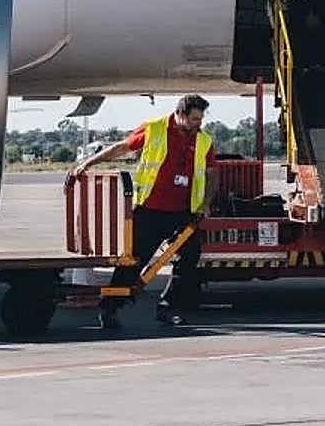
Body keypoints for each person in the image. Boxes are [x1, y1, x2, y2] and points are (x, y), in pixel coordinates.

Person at [67, 94, 217, 328]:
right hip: (150, 210)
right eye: (194, 119)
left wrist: (205, 202)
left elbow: (211, 173)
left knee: (190, 258)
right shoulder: (155, 129)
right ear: (180, 114)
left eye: (200, 119)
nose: (198, 124)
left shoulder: (203, 140)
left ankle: (168, 307)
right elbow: (121, 148)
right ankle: (110, 308)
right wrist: (88, 163)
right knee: (132, 262)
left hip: (184, 212)